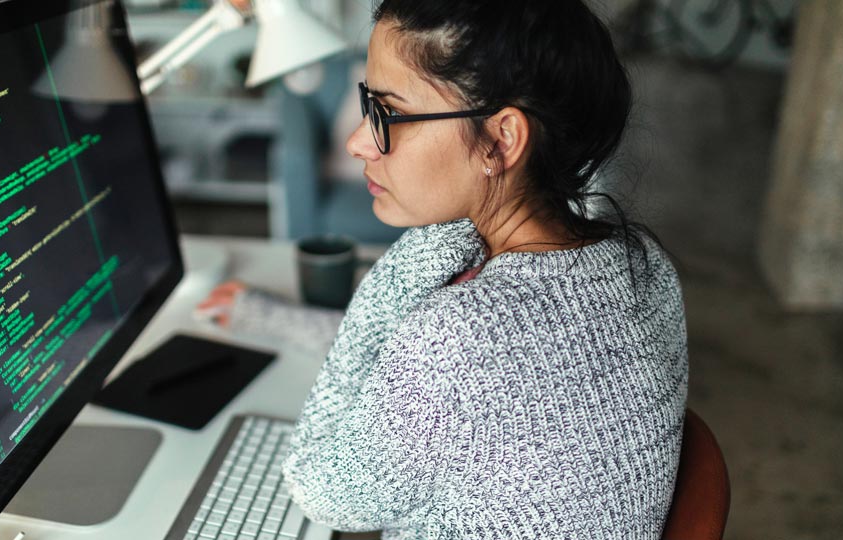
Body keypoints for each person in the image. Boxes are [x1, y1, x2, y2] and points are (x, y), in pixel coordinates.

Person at [201, 0, 688, 538]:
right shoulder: (644, 263)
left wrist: (407, 260)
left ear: (502, 139)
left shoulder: (460, 329)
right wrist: (268, 317)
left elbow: (321, 491)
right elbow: (429, 379)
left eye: (387, 113)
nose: (358, 141)